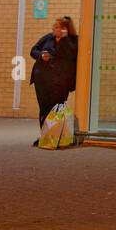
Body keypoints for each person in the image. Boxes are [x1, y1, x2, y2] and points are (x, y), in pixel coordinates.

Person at [30, 16, 78, 146]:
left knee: (57, 108)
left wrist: (65, 39)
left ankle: (56, 136)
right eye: (54, 26)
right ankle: (45, 136)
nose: (53, 29)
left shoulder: (73, 40)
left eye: (56, 27)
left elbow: (72, 55)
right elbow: (33, 50)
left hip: (61, 81)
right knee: (44, 107)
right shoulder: (48, 37)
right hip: (43, 78)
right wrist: (41, 55)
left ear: (64, 29)